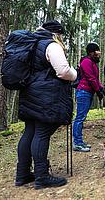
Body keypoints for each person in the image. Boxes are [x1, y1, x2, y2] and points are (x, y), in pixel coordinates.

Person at [15, 20, 77, 189]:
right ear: (56, 33)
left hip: (29, 92)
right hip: (45, 95)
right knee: (41, 133)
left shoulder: (31, 43)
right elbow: (63, 71)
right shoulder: (51, 45)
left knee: (29, 131)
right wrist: (75, 74)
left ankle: (22, 174)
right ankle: (42, 176)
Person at [72, 42, 104, 152]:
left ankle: (79, 141)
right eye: (97, 51)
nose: (99, 54)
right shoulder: (86, 62)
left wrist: (100, 88)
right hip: (83, 91)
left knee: (82, 117)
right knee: (80, 118)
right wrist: (98, 90)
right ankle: (77, 143)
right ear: (91, 52)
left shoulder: (93, 63)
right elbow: (90, 78)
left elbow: (95, 79)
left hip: (88, 92)